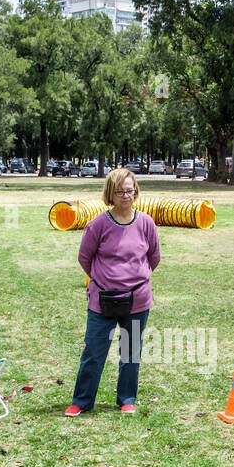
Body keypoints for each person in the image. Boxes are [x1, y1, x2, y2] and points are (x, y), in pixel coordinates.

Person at [65, 167, 160, 416]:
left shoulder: (146, 223)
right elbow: (85, 258)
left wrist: (135, 279)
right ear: (111, 194)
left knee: (130, 353)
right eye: (120, 191)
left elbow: (154, 257)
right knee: (93, 352)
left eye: (130, 190)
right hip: (102, 300)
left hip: (137, 301)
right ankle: (81, 401)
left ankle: (126, 399)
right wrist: (104, 279)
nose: (126, 195)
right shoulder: (98, 225)